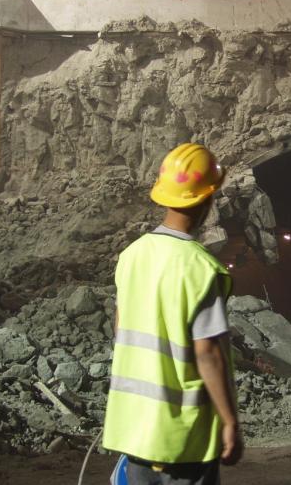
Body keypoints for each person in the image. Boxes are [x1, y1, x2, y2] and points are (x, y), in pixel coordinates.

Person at [102, 143, 243, 485]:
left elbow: (122, 331)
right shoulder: (201, 269)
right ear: (207, 200)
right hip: (183, 436)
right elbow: (208, 354)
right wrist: (230, 422)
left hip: (134, 429)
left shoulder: (132, 256)